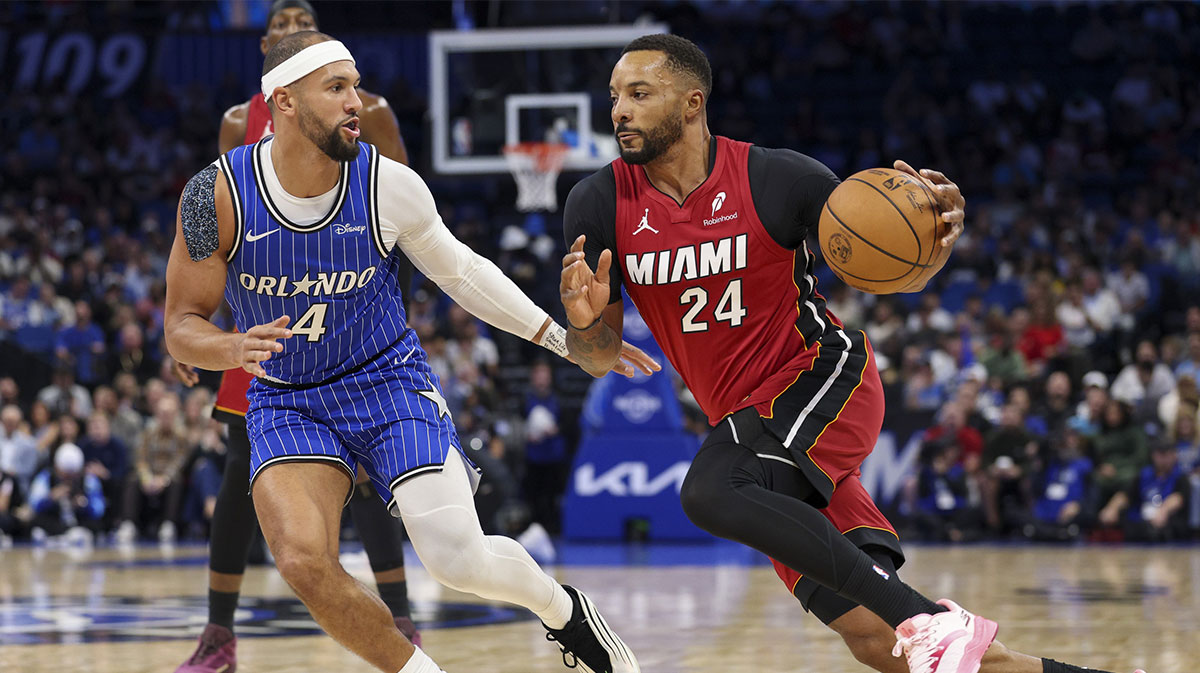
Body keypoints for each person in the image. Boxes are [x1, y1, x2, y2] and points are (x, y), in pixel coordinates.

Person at [559, 33, 1144, 673]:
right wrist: (584, 326)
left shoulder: (776, 178)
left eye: (639, 95)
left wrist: (936, 238)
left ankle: (927, 619)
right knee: (878, 641)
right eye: (615, 96)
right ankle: (946, 633)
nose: (619, 110)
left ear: (693, 102)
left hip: (821, 377)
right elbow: (598, 355)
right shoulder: (598, 202)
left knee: (710, 491)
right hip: (750, 428)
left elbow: (893, 268)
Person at [165, 30, 652, 673]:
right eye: (336, 88)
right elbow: (181, 323)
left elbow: (464, 275)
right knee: (302, 562)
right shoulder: (215, 195)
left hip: (386, 382)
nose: (355, 103)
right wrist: (227, 345)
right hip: (288, 398)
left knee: (458, 560)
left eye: (355, 85)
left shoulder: (387, 184)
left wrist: (563, 341)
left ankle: (564, 611)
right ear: (284, 101)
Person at [171, 4, 418, 670]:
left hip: (352, 318)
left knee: (366, 474)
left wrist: (390, 319)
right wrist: (206, 338)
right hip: (269, 325)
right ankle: (218, 635)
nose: (291, 29)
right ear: (266, 47)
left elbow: (404, 225)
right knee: (237, 474)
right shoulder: (234, 125)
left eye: (303, 20)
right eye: (280, 22)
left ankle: (400, 621)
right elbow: (220, 243)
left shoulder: (371, 112)